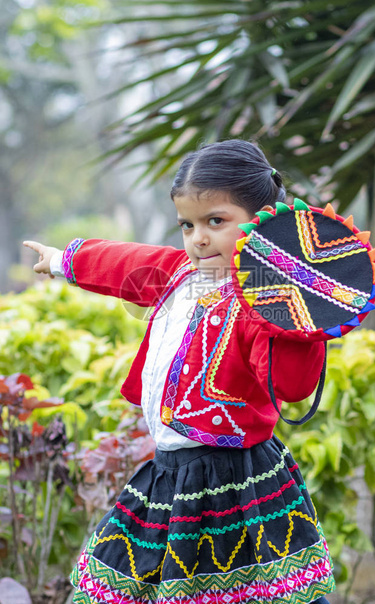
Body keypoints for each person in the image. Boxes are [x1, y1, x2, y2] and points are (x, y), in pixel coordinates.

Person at [24, 140, 334, 604]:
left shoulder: (265, 304)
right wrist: (62, 259)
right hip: (169, 474)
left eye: (216, 221)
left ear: (266, 219)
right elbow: (123, 261)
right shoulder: (178, 273)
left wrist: (302, 324)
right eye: (187, 225)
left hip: (235, 484)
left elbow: (291, 384)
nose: (198, 238)